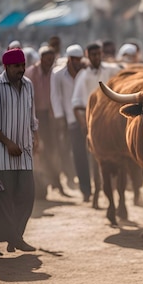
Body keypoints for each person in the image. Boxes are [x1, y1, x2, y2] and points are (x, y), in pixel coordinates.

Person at [0, 48, 39, 254]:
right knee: (2, 201)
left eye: (22, 66)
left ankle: (16, 238)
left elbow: (32, 117)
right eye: (16, 66)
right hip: (2, 154)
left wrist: (36, 138)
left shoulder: (28, 85)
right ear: (7, 67)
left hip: (25, 153)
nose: (21, 70)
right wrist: (7, 142)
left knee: (27, 196)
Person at [71, 43, 121, 202]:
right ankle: (97, 191)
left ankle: (115, 194)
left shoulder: (111, 70)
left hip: (112, 121)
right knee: (96, 157)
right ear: (88, 55)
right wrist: (84, 123)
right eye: (93, 55)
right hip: (93, 121)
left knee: (120, 156)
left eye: (98, 54)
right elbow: (76, 103)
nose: (96, 57)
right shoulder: (83, 76)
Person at [25, 45, 67, 199]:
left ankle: (55, 182)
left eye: (52, 59)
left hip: (50, 116)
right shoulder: (31, 73)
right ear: (41, 58)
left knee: (52, 150)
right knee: (39, 150)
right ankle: (44, 185)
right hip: (35, 116)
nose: (50, 62)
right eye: (47, 59)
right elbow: (29, 99)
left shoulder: (54, 73)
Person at [51, 45, 85, 196]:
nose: (78, 62)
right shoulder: (57, 74)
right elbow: (55, 97)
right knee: (68, 149)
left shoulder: (85, 73)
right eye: (75, 59)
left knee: (83, 152)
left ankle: (85, 185)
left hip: (85, 118)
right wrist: (60, 117)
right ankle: (71, 177)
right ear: (70, 59)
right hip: (68, 118)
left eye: (80, 59)